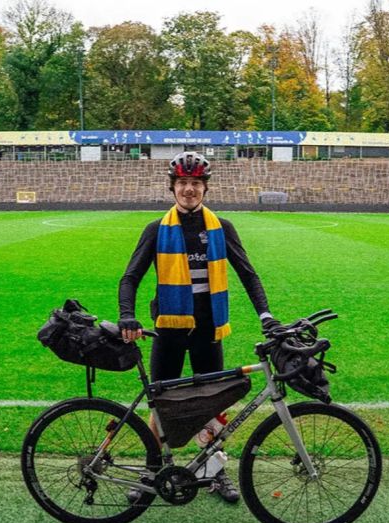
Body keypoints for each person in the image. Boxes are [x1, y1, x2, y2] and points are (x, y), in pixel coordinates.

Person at [118, 151, 280, 504]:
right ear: (173, 187)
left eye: (195, 183)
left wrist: (265, 315)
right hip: (169, 331)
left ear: (205, 188)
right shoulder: (156, 230)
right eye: (182, 183)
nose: (189, 189)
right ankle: (150, 473)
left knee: (212, 405)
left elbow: (248, 275)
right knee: (159, 406)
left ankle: (215, 473)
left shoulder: (222, 228)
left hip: (208, 330)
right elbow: (130, 277)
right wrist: (127, 315)